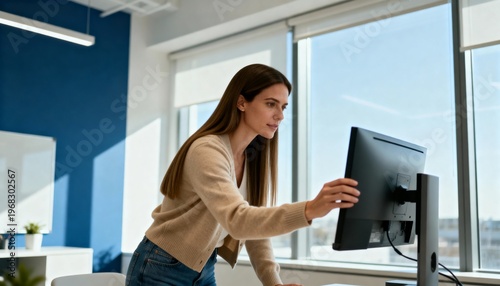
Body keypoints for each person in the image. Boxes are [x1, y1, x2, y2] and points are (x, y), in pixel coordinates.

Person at [125, 63, 360, 286]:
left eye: (283, 106)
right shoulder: (207, 150)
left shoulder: (252, 159)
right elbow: (238, 220)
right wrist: (308, 210)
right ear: (241, 103)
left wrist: (272, 282)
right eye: (271, 104)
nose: (280, 115)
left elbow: (254, 230)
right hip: (160, 265)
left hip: (203, 268)